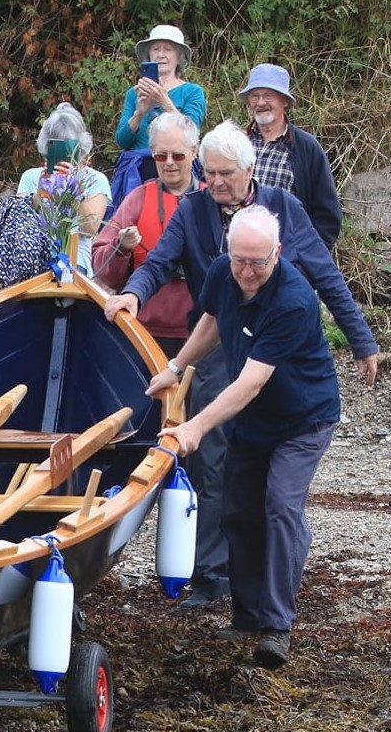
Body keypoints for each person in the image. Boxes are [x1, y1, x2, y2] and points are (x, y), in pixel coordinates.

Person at [102, 121, 378, 611]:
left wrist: (361, 341)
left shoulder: (283, 209)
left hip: (276, 349)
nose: (215, 183)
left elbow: (324, 272)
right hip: (215, 343)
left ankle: (269, 562)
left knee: (264, 470)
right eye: (207, 174)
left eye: (225, 174)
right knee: (211, 459)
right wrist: (131, 295)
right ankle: (212, 573)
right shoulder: (194, 209)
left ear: (249, 169)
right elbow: (160, 263)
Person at [143, 206, 340, 669]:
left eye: (258, 263)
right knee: (239, 511)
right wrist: (175, 368)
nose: (247, 273)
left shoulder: (293, 299)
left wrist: (195, 425)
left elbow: (251, 382)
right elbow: (211, 321)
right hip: (252, 421)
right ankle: (247, 614)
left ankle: (276, 627)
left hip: (302, 420)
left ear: (278, 253)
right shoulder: (223, 272)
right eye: (239, 261)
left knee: (280, 507)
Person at [91, 111, 200, 355]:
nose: (169, 162)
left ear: (194, 152)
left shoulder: (212, 199)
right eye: (161, 155)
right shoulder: (139, 198)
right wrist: (122, 248)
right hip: (143, 331)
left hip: (200, 335)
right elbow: (100, 267)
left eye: (178, 155)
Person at [239, 63, 342, 249]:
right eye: (255, 96)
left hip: (287, 256)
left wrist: (305, 259)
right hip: (239, 255)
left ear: (284, 101)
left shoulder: (307, 149)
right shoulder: (236, 143)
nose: (261, 103)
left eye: (268, 95)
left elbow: (327, 216)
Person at [111, 25, 207, 205]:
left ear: (179, 56)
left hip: (176, 167)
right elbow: (122, 140)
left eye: (168, 49)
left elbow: (192, 132)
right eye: (156, 49)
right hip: (137, 174)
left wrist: (165, 101)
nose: (161, 54)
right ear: (148, 55)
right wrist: (139, 113)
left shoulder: (193, 92)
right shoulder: (134, 93)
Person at [17, 103, 111, 274]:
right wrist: (40, 192)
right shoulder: (30, 177)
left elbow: (90, 230)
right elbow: (21, 223)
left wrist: (75, 189)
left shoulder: (95, 180)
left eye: (68, 150)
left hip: (76, 260)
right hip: (33, 258)